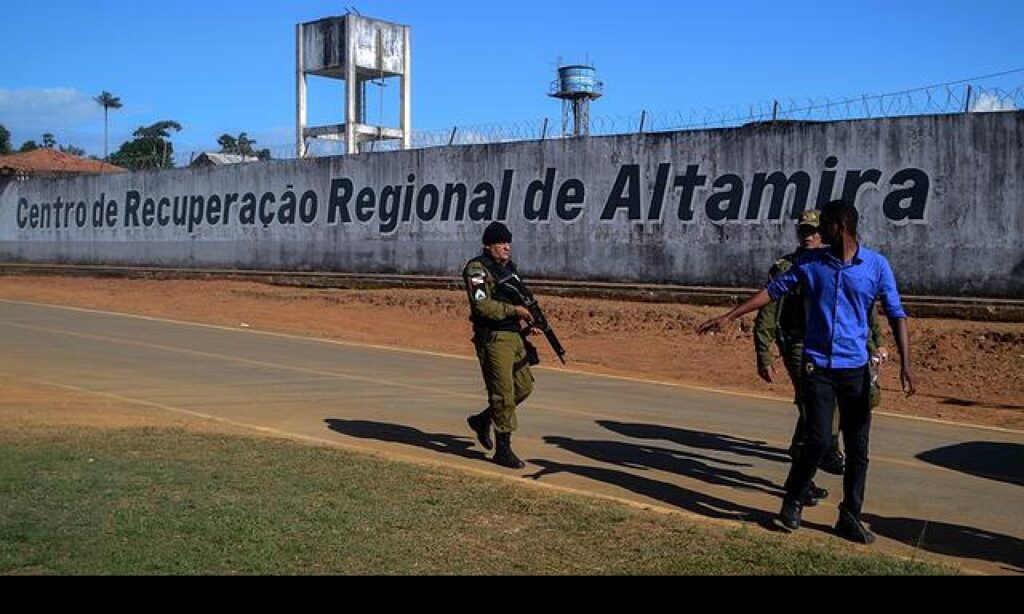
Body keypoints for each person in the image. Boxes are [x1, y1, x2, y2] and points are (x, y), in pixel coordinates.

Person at [698, 200, 914, 544]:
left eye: (823, 225)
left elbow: (895, 312)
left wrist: (906, 363)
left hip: (855, 370)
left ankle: (850, 515)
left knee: (858, 448)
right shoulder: (810, 264)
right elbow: (772, 292)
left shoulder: (876, 266)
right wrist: (729, 316)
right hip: (819, 369)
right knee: (818, 440)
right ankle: (793, 498)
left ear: (839, 226)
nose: (816, 233)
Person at [754, 211, 887, 482]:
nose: (810, 236)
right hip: (800, 344)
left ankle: (811, 451)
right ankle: (808, 473)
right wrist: (763, 351)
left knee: (833, 404)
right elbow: (768, 309)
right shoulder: (788, 266)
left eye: (814, 231)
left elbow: (863, 309)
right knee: (813, 404)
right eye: (804, 231)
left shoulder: (840, 264)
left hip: (836, 345)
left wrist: (876, 343)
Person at [463, 221, 537, 470]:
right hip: (494, 338)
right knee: (502, 393)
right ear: (488, 245)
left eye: (508, 242)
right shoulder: (477, 269)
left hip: (514, 336)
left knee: (524, 387)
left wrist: (526, 319)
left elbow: (519, 297)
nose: (506, 247)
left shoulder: (510, 269)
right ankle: (503, 449)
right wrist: (513, 311)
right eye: (501, 243)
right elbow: (482, 305)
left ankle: (483, 419)